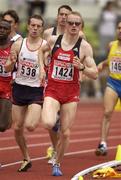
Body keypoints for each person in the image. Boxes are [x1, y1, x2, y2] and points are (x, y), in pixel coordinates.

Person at [40, 11, 98, 176]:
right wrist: (42, 64)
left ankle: (57, 163)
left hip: (71, 93)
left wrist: (82, 68)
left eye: (77, 24)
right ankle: (55, 118)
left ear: (81, 26)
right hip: (53, 89)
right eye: (70, 23)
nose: (73, 26)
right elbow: (40, 49)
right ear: (65, 25)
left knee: (66, 133)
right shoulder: (53, 40)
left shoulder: (84, 47)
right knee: (48, 123)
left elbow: (94, 73)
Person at [5, 14, 46, 172]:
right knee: (17, 127)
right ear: (28, 26)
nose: (35, 28)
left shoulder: (45, 45)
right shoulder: (18, 45)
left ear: (41, 28)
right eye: (33, 25)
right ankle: (26, 158)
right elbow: (8, 68)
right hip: (19, 88)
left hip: (36, 90)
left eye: (38, 26)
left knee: (30, 126)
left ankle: (47, 113)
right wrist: (11, 61)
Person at [43, 4, 73, 164]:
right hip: (51, 82)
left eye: (66, 15)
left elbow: (83, 54)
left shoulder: (78, 35)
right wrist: (42, 67)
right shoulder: (49, 33)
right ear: (57, 16)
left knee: (63, 122)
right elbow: (41, 51)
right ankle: (55, 147)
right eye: (61, 14)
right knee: (51, 121)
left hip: (69, 84)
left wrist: (81, 73)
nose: (63, 17)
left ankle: (57, 151)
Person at [95, 21, 121, 156]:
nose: (120, 30)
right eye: (119, 28)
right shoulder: (112, 45)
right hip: (113, 82)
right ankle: (103, 143)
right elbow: (111, 60)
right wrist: (102, 64)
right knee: (107, 112)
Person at [0, 20, 12, 132]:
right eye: (0, 27)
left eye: (5, 28)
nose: (2, 30)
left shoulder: (14, 46)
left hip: (7, 86)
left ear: (10, 31)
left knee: (3, 126)